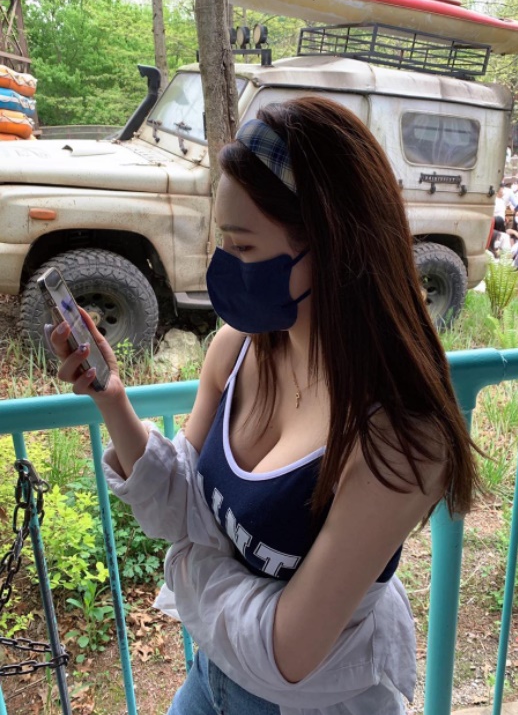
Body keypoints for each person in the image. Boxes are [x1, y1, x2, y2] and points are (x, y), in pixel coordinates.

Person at [49, 97, 480, 715]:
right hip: (211, 679)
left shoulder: (400, 438)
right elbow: (183, 507)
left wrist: (186, 571)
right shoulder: (237, 350)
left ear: (331, 248)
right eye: (222, 242)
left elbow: (287, 651)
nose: (223, 266)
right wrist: (111, 398)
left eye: (244, 248)